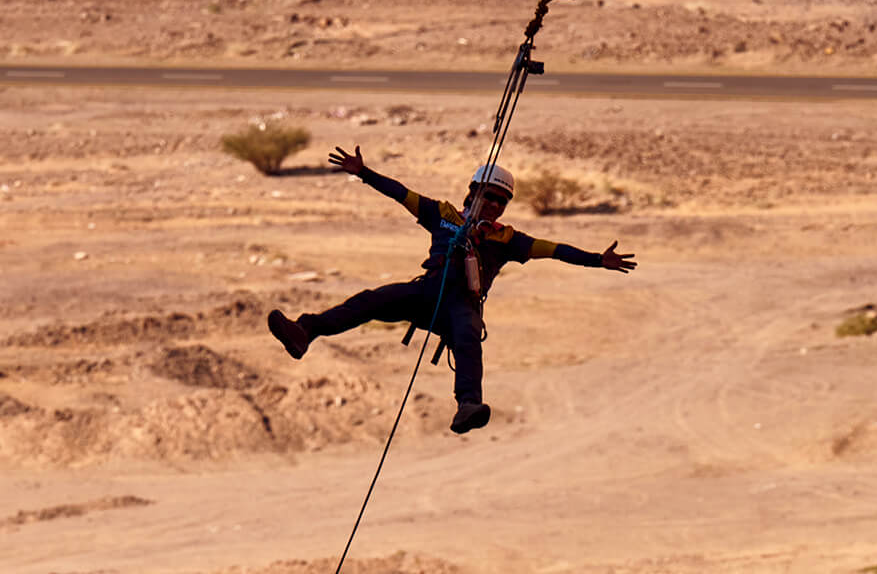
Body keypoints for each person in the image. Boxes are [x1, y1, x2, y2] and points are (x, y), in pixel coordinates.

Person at [267, 145, 637, 434]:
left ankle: (468, 406)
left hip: (460, 305)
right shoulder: (442, 215)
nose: (493, 204)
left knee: (467, 338)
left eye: (500, 200)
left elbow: (555, 250)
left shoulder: (508, 240)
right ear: (472, 192)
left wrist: (595, 259)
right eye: (488, 195)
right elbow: (401, 194)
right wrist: (364, 173)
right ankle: (305, 332)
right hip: (428, 291)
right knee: (371, 301)